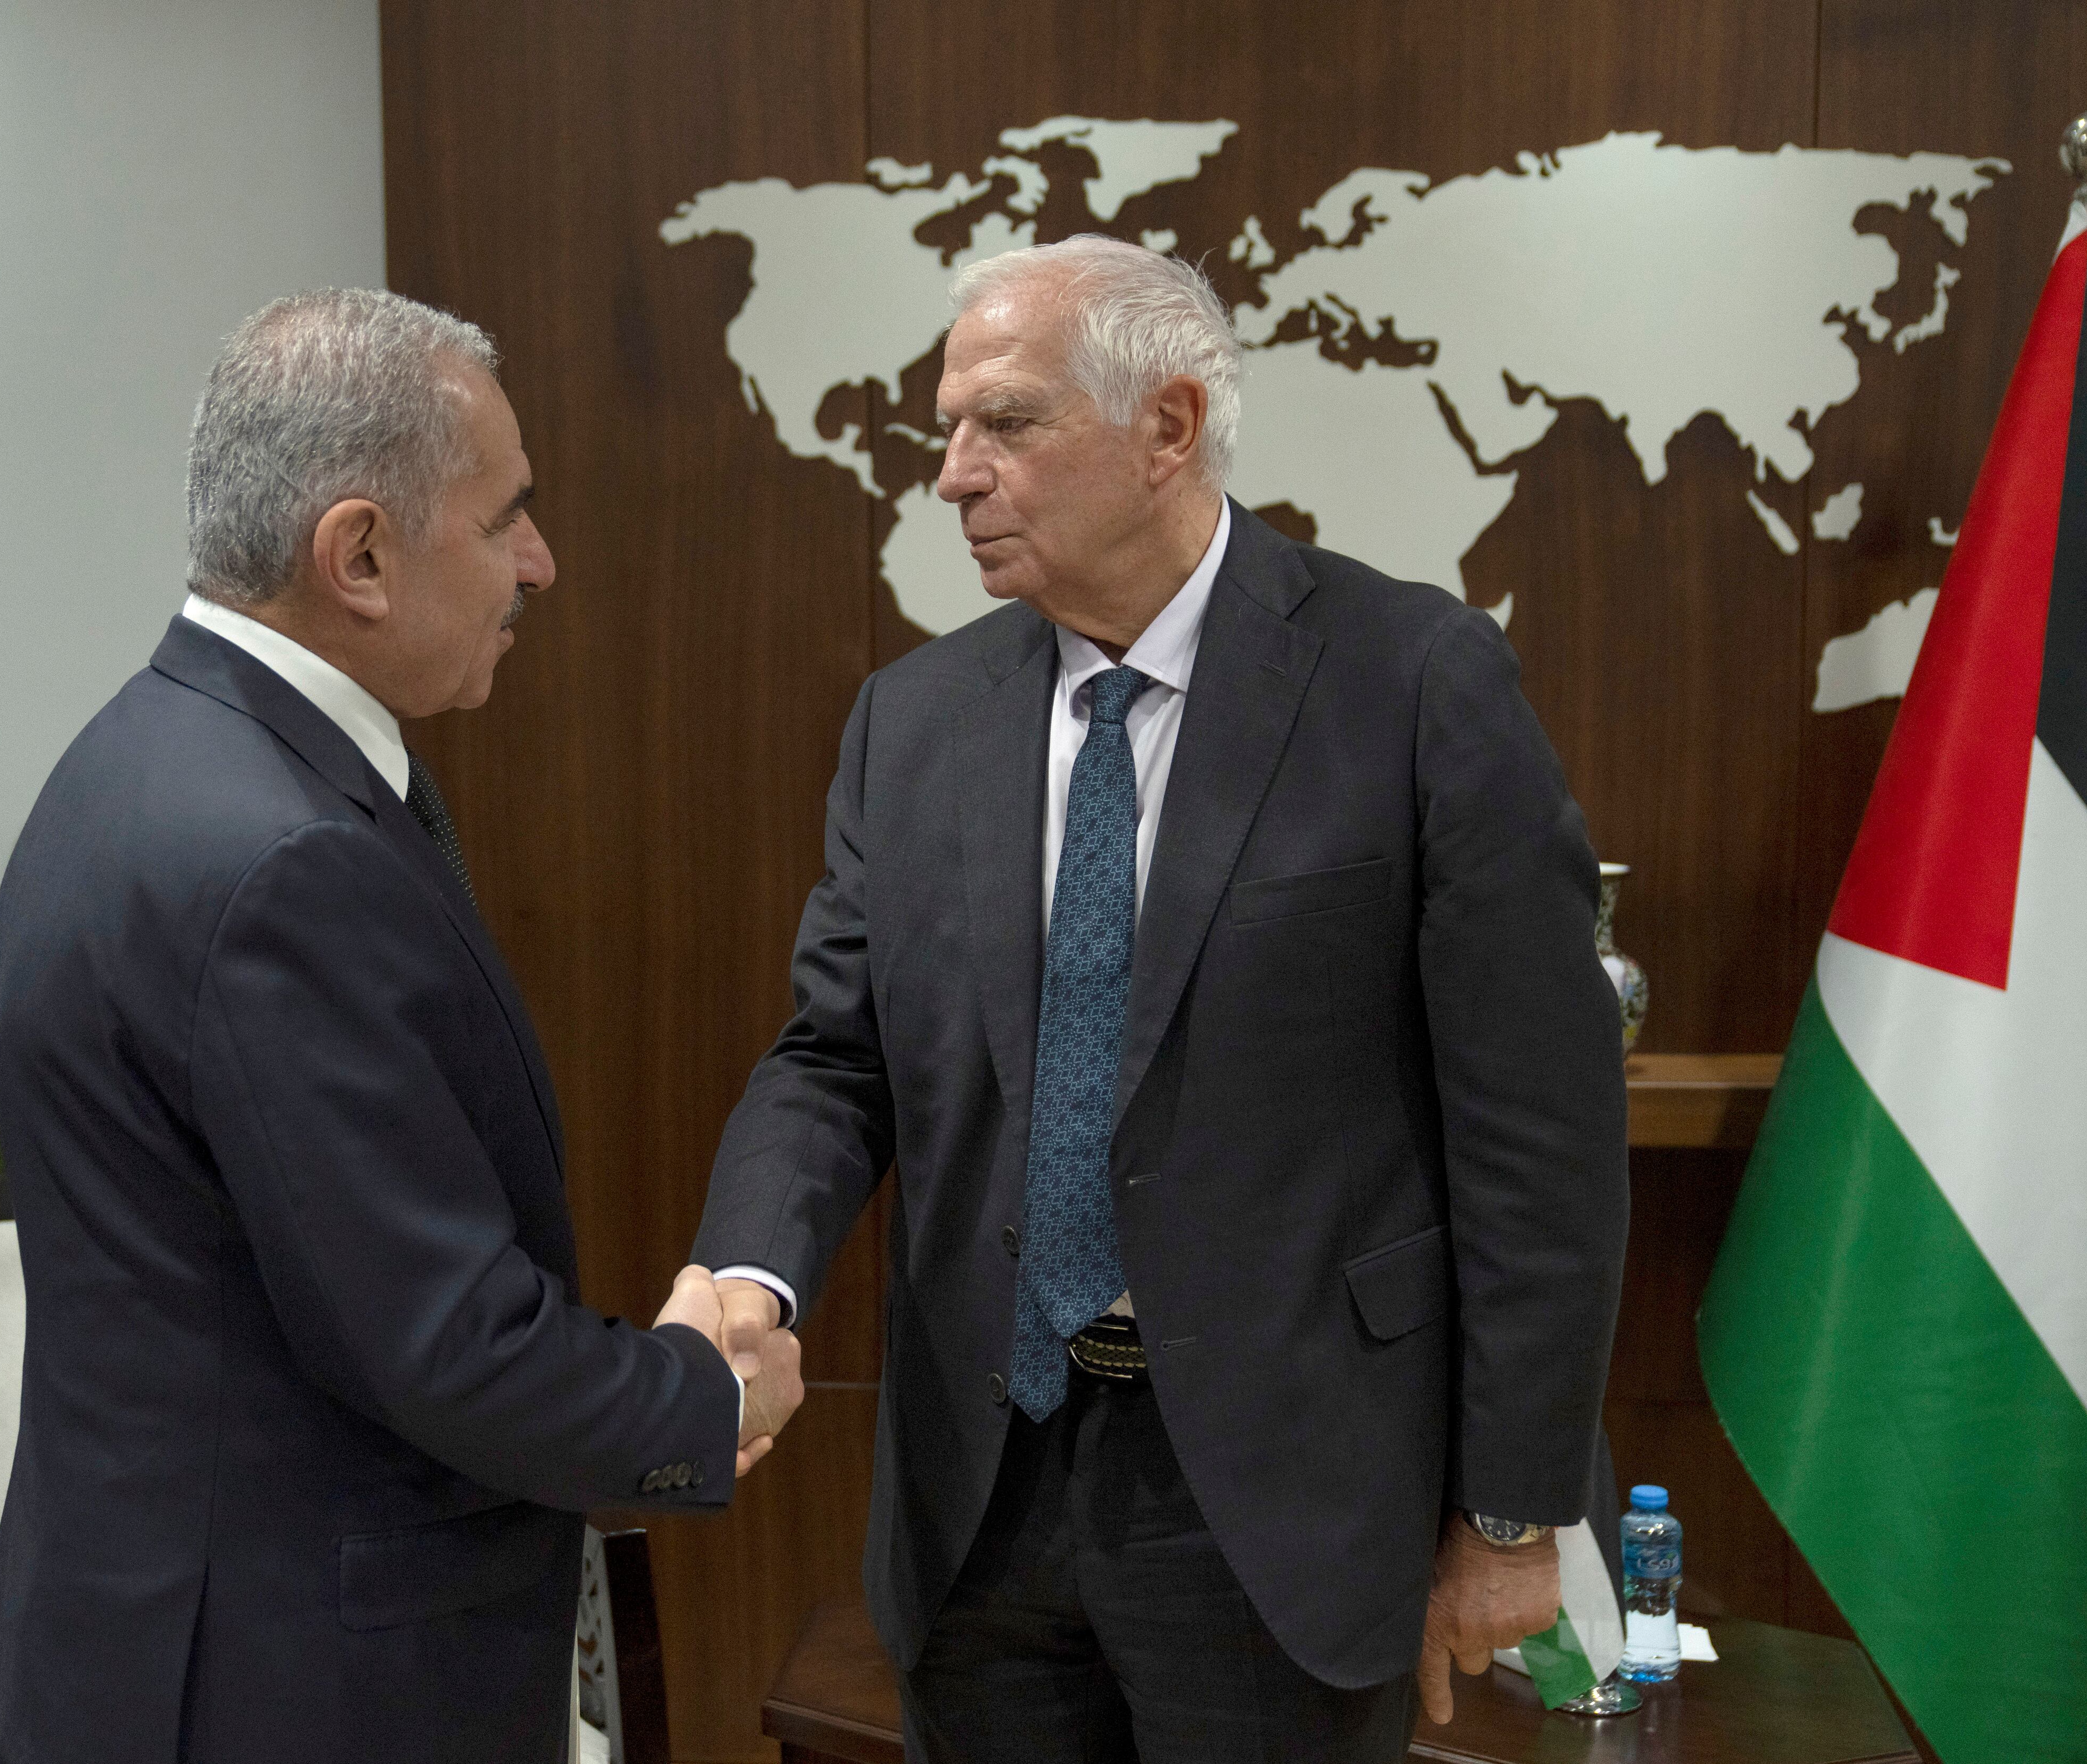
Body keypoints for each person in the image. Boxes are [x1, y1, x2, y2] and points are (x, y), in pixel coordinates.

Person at [693, 237, 1628, 1762]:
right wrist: (750, 1271)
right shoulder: (914, 723)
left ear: (1169, 430)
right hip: (984, 1496)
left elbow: (1541, 1133)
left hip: (1284, 1500)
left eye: (1006, 424)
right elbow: (834, 1056)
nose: (954, 475)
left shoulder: (1413, 681)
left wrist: (1514, 1515)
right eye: (948, 428)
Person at [0, 288, 802, 1764]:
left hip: (149, 1635)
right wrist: (701, 1390)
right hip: (289, 1683)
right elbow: (441, 1345)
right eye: (506, 520)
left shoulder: (142, 755)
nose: (539, 565)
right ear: (358, 553)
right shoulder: (288, 857)